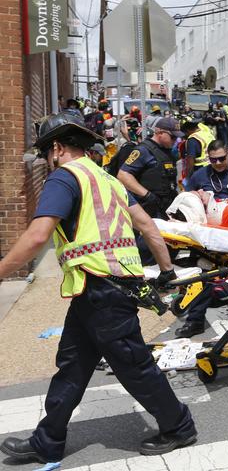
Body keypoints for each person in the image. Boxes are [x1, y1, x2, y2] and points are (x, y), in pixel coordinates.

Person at [0, 112, 196, 465]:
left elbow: (38, 235)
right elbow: (148, 227)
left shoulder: (64, 177)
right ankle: (48, 440)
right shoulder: (108, 180)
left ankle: (179, 426)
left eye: (47, 154)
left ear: (57, 148)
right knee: (73, 363)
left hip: (104, 291)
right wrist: (166, 270)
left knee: (133, 366)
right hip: (101, 290)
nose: (47, 161)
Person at [175, 141, 228, 336]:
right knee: (203, 276)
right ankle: (195, 320)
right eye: (214, 160)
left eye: (222, 158)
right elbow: (187, 202)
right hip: (208, 236)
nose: (218, 163)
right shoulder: (199, 176)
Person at [117, 116, 183, 219]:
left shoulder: (167, 151)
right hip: (147, 209)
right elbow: (123, 175)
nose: (175, 140)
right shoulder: (144, 150)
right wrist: (147, 195)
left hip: (165, 206)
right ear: (160, 132)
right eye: (173, 137)